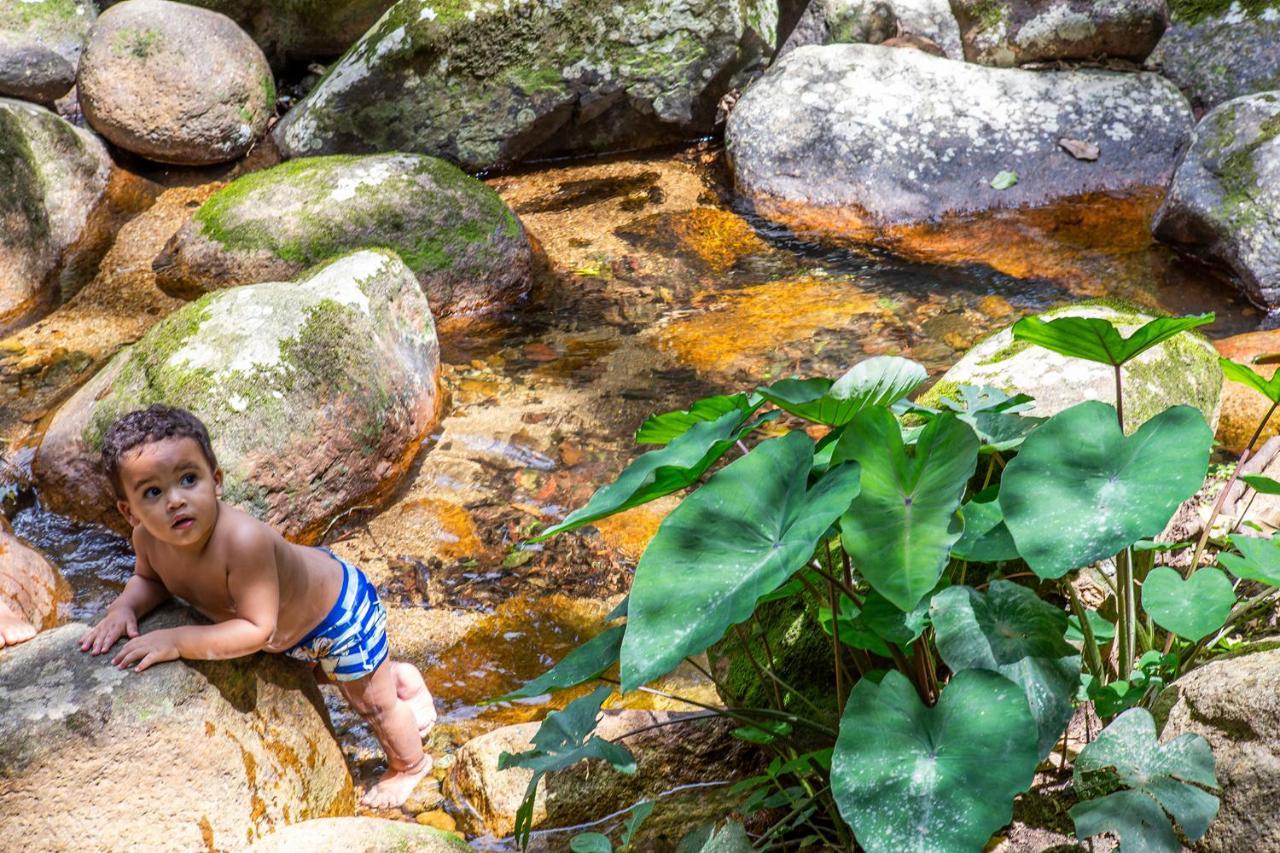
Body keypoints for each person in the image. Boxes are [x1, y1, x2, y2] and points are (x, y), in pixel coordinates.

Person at [79, 404, 436, 808]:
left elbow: (256, 630)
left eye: (188, 479)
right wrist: (124, 608)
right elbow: (149, 580)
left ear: (216, 481)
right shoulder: (147, 540)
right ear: (129, 511)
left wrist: (176, 640)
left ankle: (410, 765)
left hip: (337, 616)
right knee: (331, 678)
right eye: (153, 492)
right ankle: (399, 677)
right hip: (292, 626)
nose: (175, 500)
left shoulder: (242, 542)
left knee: (371, 704)